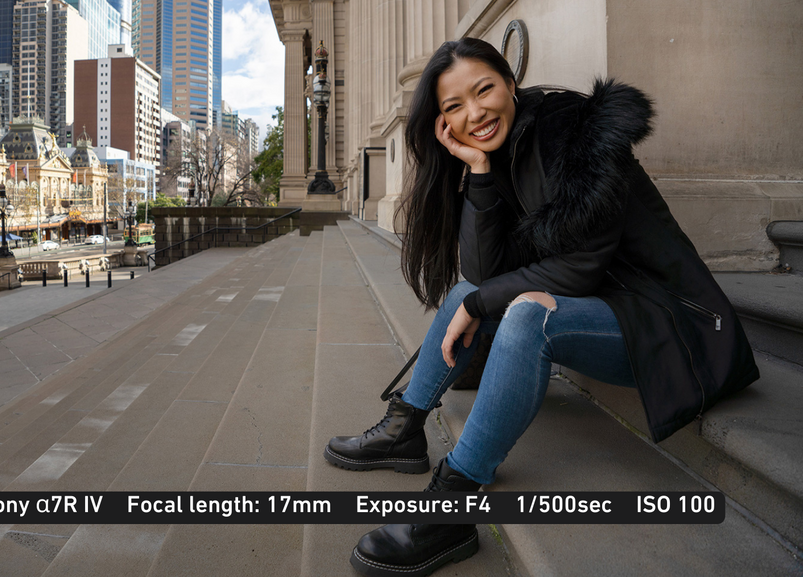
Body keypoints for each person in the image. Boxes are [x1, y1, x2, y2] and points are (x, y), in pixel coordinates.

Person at [325, 38, 759, 577]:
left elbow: (578, 268)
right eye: (453, 107)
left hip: (673, 323)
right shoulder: (502, 153)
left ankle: (452, 509)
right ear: (443, 123)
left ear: (511, 82)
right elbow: (484, 275)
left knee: (527, 314)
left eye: (484, 90)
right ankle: (405, 427)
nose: (474, 113)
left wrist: (487, 300)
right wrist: (478, 172)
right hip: (605, 308)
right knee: (468, 295)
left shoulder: (570, 132)